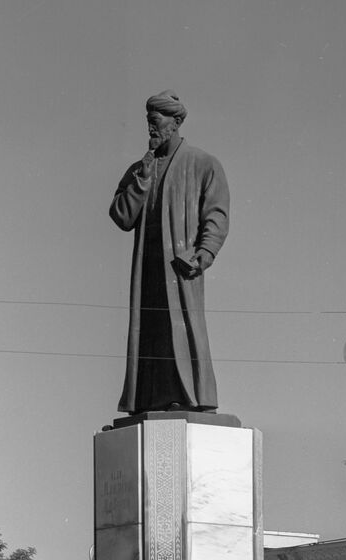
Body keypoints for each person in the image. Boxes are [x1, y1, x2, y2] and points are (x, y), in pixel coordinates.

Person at [110, 91, 230, 415]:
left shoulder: (203, 164)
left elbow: (216, 216)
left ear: (175, 122)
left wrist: (203, 254)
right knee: (150, 334)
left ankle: (191, 397)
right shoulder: (141, 168)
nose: (151, 127)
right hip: (147, 272)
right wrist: (143, 180)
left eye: (157, 120)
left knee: (181, 330)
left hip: (180, 271)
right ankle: (149, 399)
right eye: (148, 121)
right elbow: (121, 215)